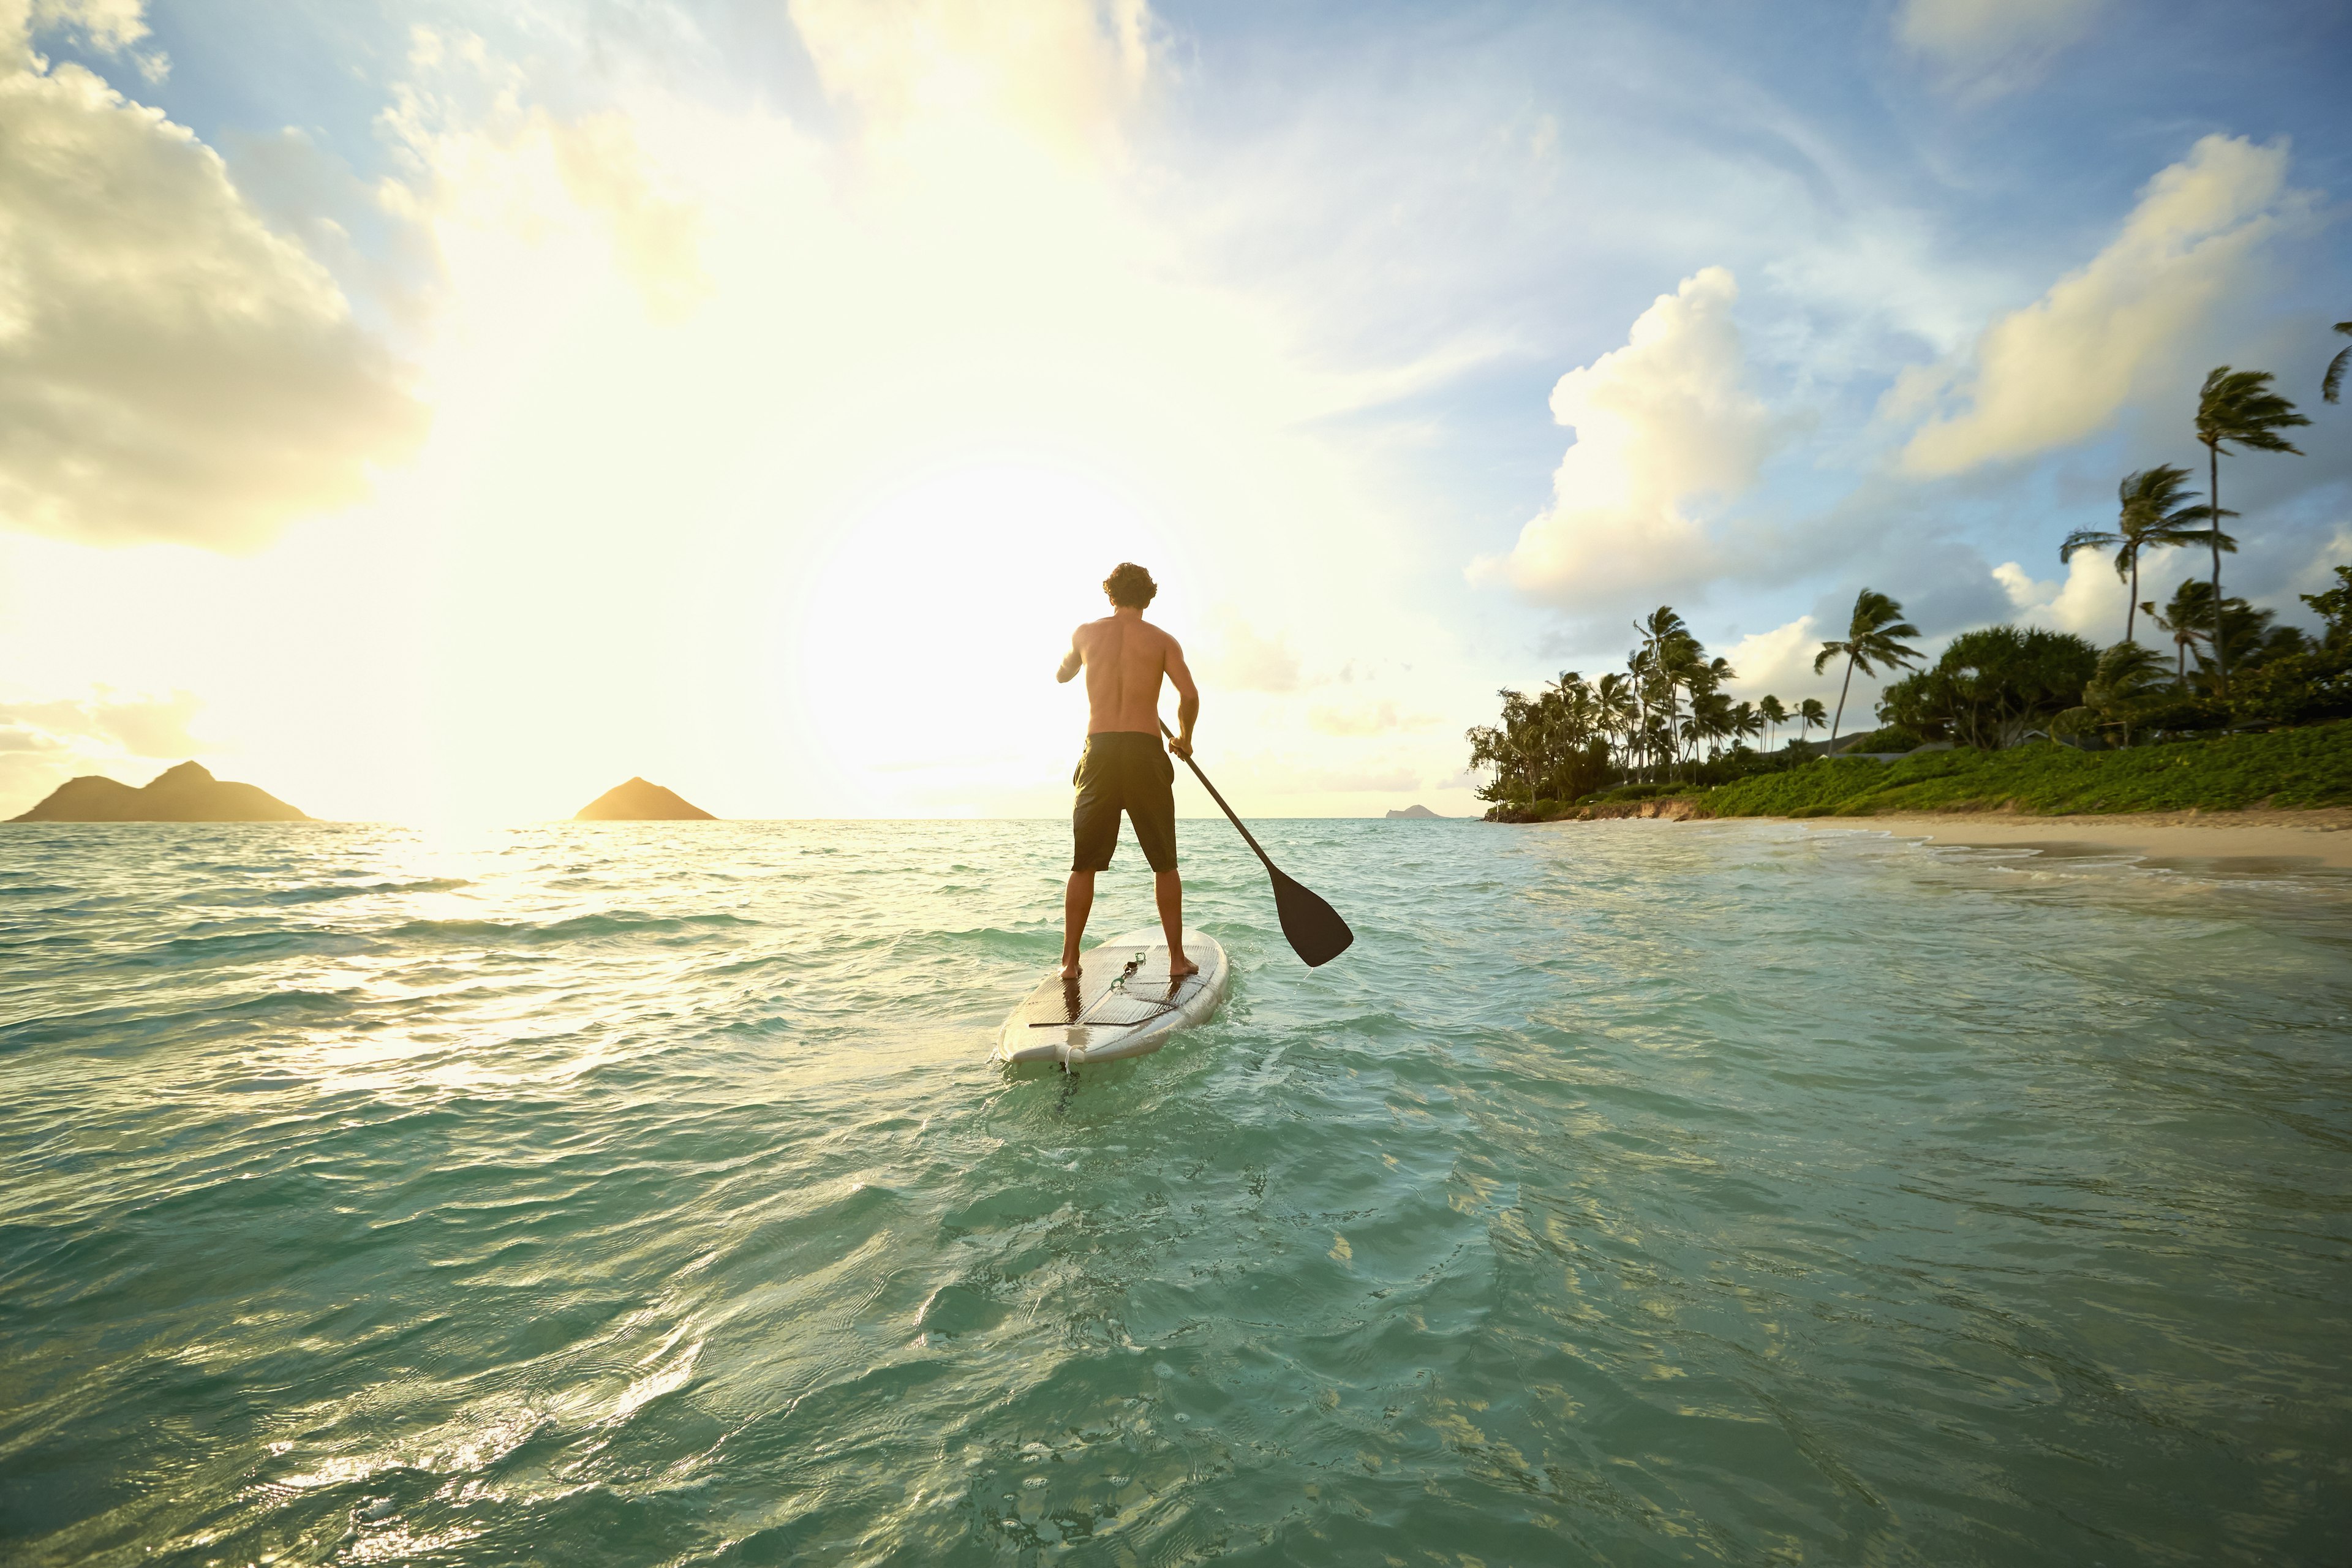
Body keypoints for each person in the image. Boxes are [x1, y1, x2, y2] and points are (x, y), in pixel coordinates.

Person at [1055, 562, 1199, 981]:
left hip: (1099, 752)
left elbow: (1063, 673)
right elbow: (1189, 694)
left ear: (1110, 594)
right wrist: (1185, 739)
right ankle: (1176, 959)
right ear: (1148, 597)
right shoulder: (1161, 641)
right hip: (1144, 751)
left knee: (1083, 864)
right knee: (1164, 863)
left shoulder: (1084, 633)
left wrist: (1070, 668)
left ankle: (1070, 961)